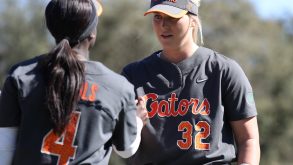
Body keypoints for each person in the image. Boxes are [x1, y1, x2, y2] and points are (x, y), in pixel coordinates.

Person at [0, 0, 148, 164]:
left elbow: (5, 149)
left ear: (52, 28)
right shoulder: (118, 87)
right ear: (92, 33)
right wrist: (138, 120)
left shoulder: (20, 75)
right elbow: (126, 150)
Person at [122, 0, 260, 164]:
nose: (164, 25)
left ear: (193, 19)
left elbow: (248, 140)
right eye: (157, 17)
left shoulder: (224, 70)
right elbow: (118, 141)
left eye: (172, 17)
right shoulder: (132, 75)